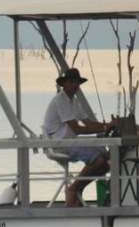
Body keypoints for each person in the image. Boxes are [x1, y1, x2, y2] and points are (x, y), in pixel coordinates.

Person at [40, 67, 113, 207]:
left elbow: (88, 123)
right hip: (59, 143)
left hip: (70, 141)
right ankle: (73, 190)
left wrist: (107, 125)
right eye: (72, 82)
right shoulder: (60, 100)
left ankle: (77, 190)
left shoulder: (74, 102)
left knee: (106, 159)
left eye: (77, 83)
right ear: (64, 84)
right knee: (97, 160)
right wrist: (103, 128)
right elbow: (77, 129)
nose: (75, 85)